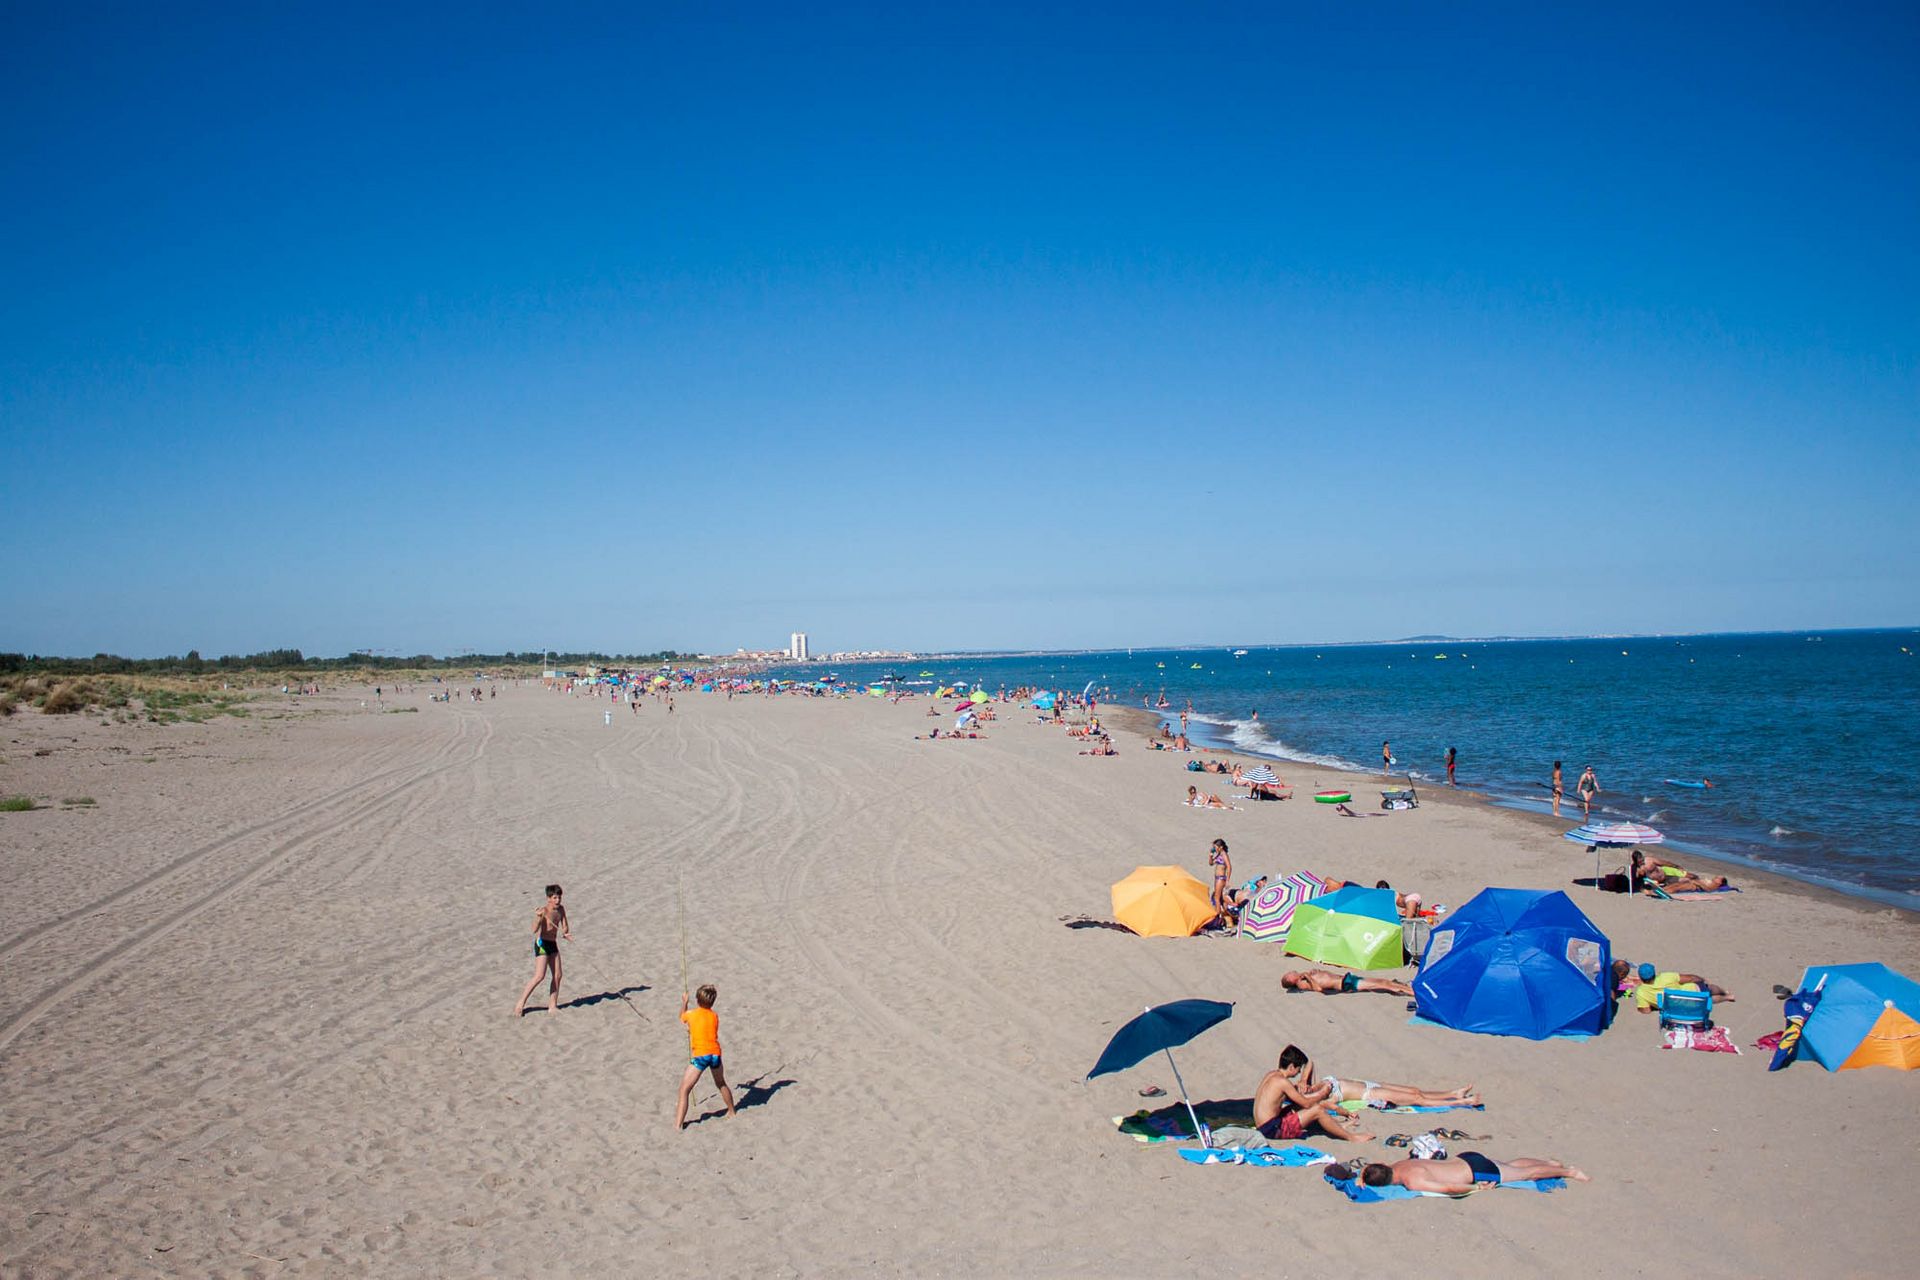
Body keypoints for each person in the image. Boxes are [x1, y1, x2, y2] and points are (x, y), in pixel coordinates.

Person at [1252, 1045, 1373, 1144]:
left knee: (1297, 1108)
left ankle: (1337, 1126)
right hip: (1272, 1129)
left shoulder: (1272, 1075)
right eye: (1298, 1069)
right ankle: (1351, 1137)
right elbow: (1306, 1103)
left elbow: (1309, 1064)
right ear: (1291, 1067)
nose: (1299, 1072)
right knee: (1317, 1110)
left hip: (1264, 1125)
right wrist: (1323, 1093)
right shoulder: (1282, 1082)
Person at [1290, 1047, 1479, 1108]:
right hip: (1369, 1093)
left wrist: (1303, 1081)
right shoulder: (1314, 1100)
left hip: (1367, 1083)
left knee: (1415, 1090)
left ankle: (1453, 1093)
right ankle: (1462, 1102)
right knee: (1416, 1099)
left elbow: (1309, 1062)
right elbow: (1328, 1106)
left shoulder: (1309, 1087)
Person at [1341, 1153, 1588, 1192]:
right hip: (1466, 1157)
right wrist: (1362, 1177)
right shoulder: (1397, 1164)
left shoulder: (1411, 1180)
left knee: (1527, 1175)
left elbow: (1448, 1189)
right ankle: (1550, 1162)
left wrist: (1475, 1188)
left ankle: (1567, 1171)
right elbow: (1371, 1167)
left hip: (1475, 1172)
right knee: (1510, 1164)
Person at [675, 983, 737, 1129]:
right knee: (721, 1083)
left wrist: (684, 1002)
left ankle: (678, 1125)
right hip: (715, 1054)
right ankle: (732, 1111)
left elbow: (681, 1018)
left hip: (701, 1056)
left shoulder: (691, 1014)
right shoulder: (715, 1016)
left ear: (697, 1000)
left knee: (684, 1090)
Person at [513, 884, 571, 1017]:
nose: (558, 900)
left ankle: (552, 1005)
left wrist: (566, 933)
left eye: (559, 897)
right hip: (542, 943)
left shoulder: (561, 910)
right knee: (540, 975)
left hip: (553, 943)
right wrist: (538, 917)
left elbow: (565, 926)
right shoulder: (544, 911)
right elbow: (533, 929)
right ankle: (520, 1003)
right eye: (555, 898)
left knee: (558, 975)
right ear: (548, 898)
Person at [1281, 969, 1414, 997]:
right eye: (1289, 974)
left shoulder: (1305, 977)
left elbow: (1324, 977)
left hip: (1345, 978)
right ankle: (1410, 992)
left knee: (1383, 982)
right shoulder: (1302, 984)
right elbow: (1319, 988)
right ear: (1291, 980)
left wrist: (1315, 972)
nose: (1292, 972)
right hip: (1345, 983)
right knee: (1382, 984)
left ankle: (1406, 989)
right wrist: (1309, 978)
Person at [1207, 838, 1235, 926]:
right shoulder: (1219, 854)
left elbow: (1229, 867)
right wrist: (1210, 856)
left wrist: (1227, 880)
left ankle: (1217, 917)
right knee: (1220, 899)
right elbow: (1211, 863)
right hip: (1217, 878)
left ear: (1221, 847)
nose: (1214, 848)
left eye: (1215, 847)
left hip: (1221, 878)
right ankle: (1226, 916)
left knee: (1216, 898)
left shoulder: (1224, 855)